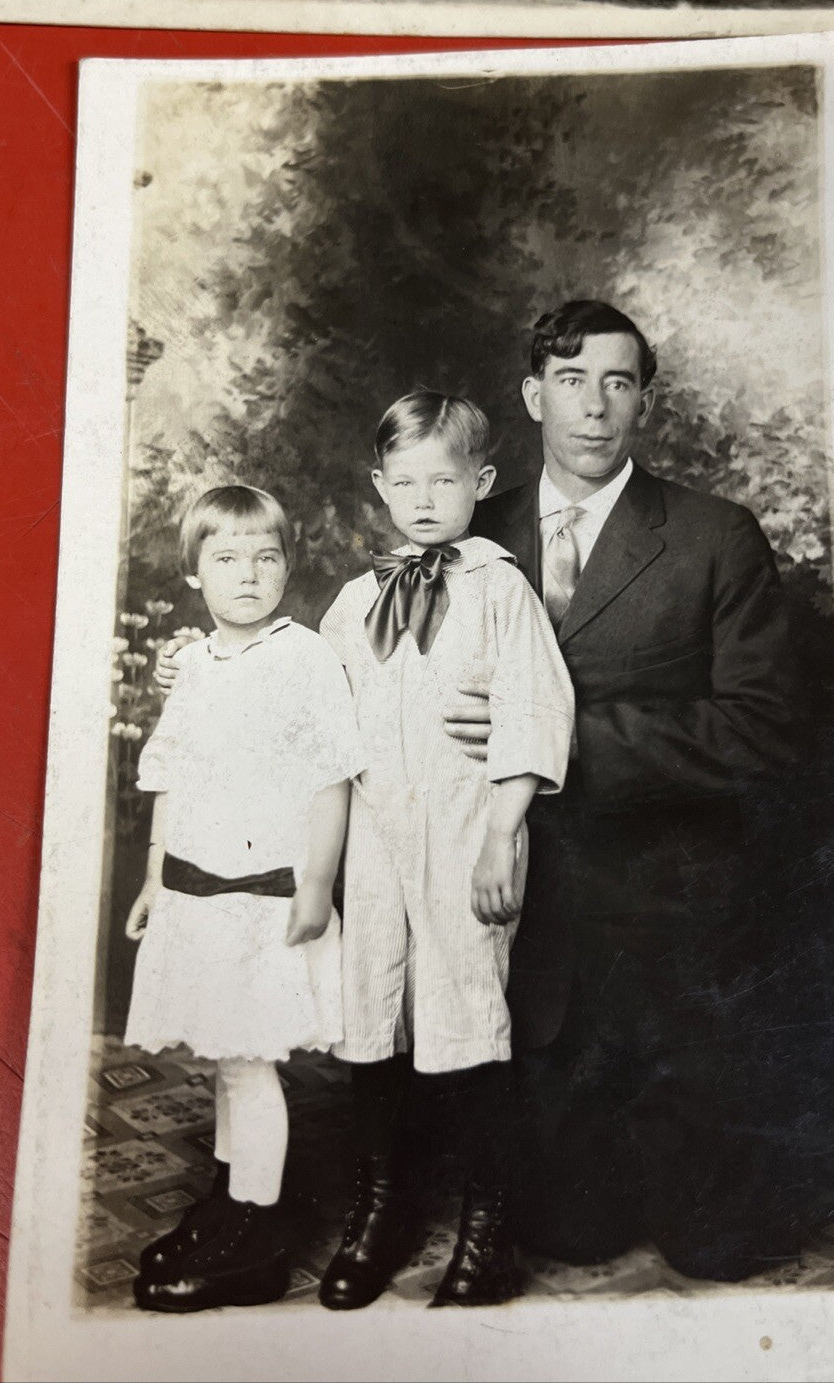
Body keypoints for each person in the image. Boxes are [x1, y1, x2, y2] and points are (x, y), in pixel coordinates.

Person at [446, 300, 801, 1282]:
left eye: (616, 382)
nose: (593, 408)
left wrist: (560, 742)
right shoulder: (469, 535)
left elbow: (762, 731)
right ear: (530, 396)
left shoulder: (714, 536)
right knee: (566, 1234)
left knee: (717, 1251)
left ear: (644, 400)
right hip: (529, 920)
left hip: (676, 922)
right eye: (570, 381)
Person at [316, 390, 575, 1310]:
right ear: (380, 487)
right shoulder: (355, 602)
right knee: (373, 1012)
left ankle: (486, 1229)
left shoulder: (500, 588)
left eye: (446, 479)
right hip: (374, 841)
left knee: (468, 1015)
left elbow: (538, 711)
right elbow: (321, 730)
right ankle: (378, 1217)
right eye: (407, 481)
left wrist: (505, 833)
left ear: (482, 482)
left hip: (467, 832)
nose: (425, 499)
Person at [124, 484, 363, 1313]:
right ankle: (231, 1200)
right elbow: (174, 777)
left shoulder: (302, 658)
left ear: (289, 565)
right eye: (225, 559)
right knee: (226, 1058)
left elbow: (332, 779)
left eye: (266, 557)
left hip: (266, 898)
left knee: (251, 1061)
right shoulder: (192, 661)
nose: (248, 574)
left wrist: (319, 884)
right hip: (198, 890)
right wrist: (156, 877)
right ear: (193, 573)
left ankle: (258, 1233)